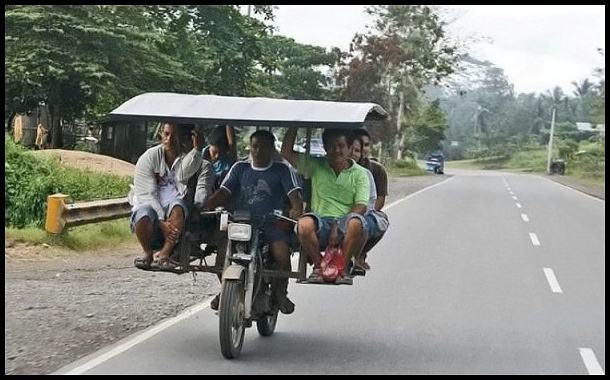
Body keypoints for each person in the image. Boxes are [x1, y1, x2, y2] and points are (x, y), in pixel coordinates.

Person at [206, 130, 303, 313]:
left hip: (271, 223)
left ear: (271, 149)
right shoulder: (239, 168)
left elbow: (294, 197)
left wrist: (296, 209)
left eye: (263, 146)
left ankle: (280, 293)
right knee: (222, 255)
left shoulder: (281, 170)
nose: (258, 150)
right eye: (255, 146)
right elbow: (224, 192)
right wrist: (208, 203)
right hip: (241, 223)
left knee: (281, 253)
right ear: (250, 147)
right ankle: (225, 290)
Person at [281, 127, 370, 285]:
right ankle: (319, 267)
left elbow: (361, 205)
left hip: (346, 224)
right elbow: (286, 152)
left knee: (356, 223)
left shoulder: (360, 173)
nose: (336, 150)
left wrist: (338, 225)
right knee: (303, 224)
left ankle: (342, 269)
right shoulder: (315, 165)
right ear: (325, 148)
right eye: (331, 146)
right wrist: (294, 123)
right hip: (320, 222)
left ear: (349, 148)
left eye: (341, 146)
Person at [130, 122, 205, 270]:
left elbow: (183, 175)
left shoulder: (189, 158)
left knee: (178, 207)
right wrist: (161, 220)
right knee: (144, 213)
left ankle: (165, 253)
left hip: (175, 210)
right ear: (161, 136)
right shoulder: (149, 158)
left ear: (184, 138)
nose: (169, 140)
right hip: (150, 208)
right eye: (166, 134)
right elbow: (147, 194)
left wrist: (197, 150)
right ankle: (147, 253)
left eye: (174, 136)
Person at [350, 128, 390, 270]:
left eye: (365, 146)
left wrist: (363, 212)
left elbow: (378, 199)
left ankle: (360, 254)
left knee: (375, 221)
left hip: (365, 210)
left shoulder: (375, 170)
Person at [202, 124, 238, 188]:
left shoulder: (228, 160)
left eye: (221, 153)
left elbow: (232, 144)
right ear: (209, 146)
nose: (217, 156)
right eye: (214, 152)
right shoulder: (201, 156)